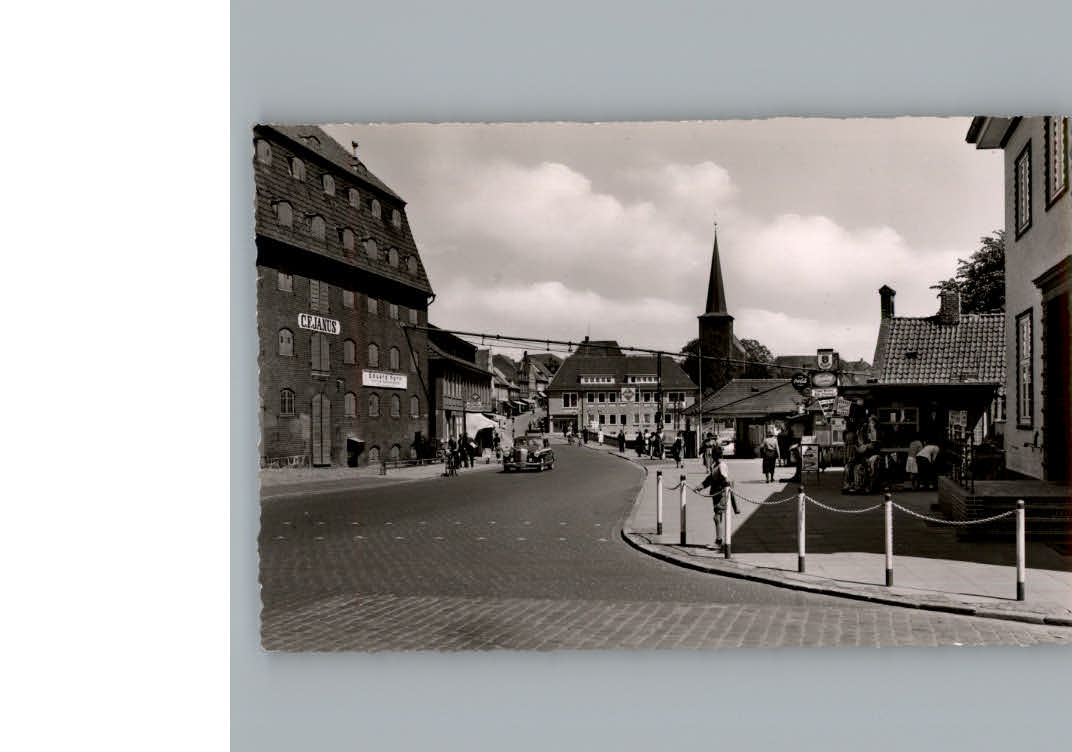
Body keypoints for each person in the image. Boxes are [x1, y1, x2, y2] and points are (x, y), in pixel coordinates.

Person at [694, 445, 739, 552]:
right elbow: (709, 479)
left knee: (717, 517)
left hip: (721, 494)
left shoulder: (721, 466)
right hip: (717, 494)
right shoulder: (717, 465)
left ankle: (719, 542)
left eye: (712, 454)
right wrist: (700, 487)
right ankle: (719, 540)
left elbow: (725, 479)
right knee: (718, 517)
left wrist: (723, 488)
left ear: (714, 455)